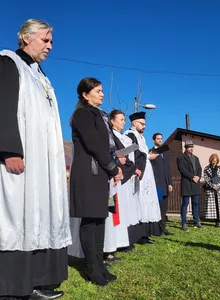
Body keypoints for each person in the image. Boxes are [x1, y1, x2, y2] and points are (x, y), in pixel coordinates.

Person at [0, 19, 72, 300]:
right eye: (45, 40)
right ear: (26, 38)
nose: (50, 46)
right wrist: (9, 149)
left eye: (51, 41)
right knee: (18, 213)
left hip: (43, 162)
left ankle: (38, 281)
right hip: (20, 157)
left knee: (40, 212)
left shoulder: (40, 76)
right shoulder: (8, 62)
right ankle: (12, 288)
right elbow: (3, 106)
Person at [69, 77, 123, 286]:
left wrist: (112, 167)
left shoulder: (99, 116)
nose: (102, 94)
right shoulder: (83, 114)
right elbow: (93, 144)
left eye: (101, 91)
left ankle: (99, 264)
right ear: (85, 94)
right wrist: (112, 167)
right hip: (88, 171)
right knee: (90, 220)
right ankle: (91, 268)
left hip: (99, 171)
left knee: (99, 219)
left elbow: (106, 146)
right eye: (98, 91)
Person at [124, 112, 161, 243]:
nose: (144, 126)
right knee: (139, 200)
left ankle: (145, 234)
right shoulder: (130, 135)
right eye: (142, 123)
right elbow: (131, 153)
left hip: (146, 172)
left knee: (146, 200)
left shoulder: (142, 138)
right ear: (134, 123)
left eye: (145, 124)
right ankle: (138, 234)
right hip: (138, 172)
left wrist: (149, 155)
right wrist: (147, 157)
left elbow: (142, 153)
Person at [109, 110, 142, 249]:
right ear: (112, 121)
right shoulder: (111, 136)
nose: (123, 122)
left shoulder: (120, 137)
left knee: (122, 210)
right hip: (115, 177)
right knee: (115, 210)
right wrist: (118, 159)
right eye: (121, 119)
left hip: (123, 175)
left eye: (124, 119)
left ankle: (122, 241)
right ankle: (114, 243)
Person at [177, 140, 203, 231]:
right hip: (187, 183)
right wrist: (192, 177)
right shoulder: (180, 158)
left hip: (195, 183)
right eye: (189, 147)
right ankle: (184, 223)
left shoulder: (196, 158)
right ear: (185, 148)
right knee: (185, 203)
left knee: (195, 203)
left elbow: (200, 168)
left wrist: (198, 177)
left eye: (192, 147)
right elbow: (182, 170)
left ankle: (196, 221)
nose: (191, 148)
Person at [150, 133, 173, 235]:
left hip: (165, 185)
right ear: (154, 140)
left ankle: (163, 228)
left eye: (161, 139)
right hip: (157, 185)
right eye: (158, 139)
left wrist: (170, 183)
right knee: (157, 207)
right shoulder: (151, 152)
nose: (160, 140)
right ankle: (157, 229)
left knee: (164, 208)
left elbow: (167, 168)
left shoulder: (165, 152)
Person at [203, 154, 220, 228]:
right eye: (213, 161)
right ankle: (216, 221)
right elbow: (206, 179)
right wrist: (213, 186)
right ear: (210, 160)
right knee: (214, 206)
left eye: (215, 161)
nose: (214, 162)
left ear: (217, 161)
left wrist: (218, 185)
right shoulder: (206, 168)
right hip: (211, 189)